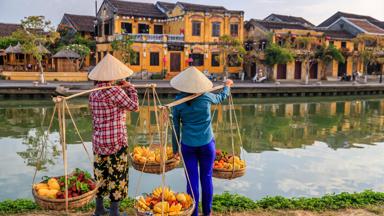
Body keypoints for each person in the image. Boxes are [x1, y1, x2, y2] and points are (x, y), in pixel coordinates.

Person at [171, 67, 233, 216]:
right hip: (206, 145)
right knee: (206, 178)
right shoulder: (206, 97)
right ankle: (207, 212)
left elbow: (175, 128)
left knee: (191, 182)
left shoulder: (178, 101)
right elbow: (220, 97)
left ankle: (193, 213)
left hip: (188, 146)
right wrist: (227, 86)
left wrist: (175, 149)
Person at [88, 54, 139, 216]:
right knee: (117, 174)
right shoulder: (115, 91)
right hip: (116, 141)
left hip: (99, 141)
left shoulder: (93, 93)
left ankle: (99, 209)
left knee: (100, 174)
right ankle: (114, 212)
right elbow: (134, 106)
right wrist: (130, 88)